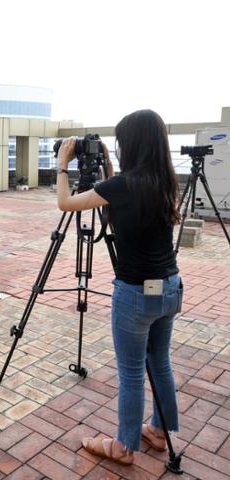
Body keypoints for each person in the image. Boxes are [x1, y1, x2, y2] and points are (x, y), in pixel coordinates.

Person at [56, 109, 181, 466]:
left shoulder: (122, 186)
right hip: (168, 288)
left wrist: (63, 165)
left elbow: (66, 203)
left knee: (130, 373)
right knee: (160, 362)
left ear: (131, 143)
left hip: (135, 294)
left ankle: (123, 447)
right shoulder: (165, 180)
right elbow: (120, 194)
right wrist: (109, 166)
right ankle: (159, 431)